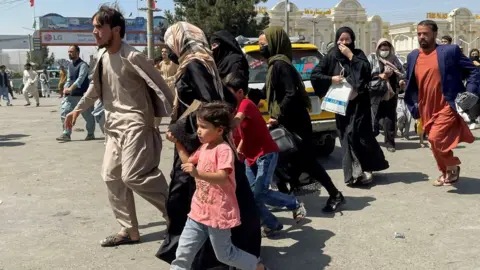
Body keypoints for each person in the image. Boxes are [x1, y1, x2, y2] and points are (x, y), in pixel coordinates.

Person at [64, 5, 174, 247]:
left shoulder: (133, 56)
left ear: (115, 30)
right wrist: (77, 109)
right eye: (93, 27)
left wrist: (176, 120)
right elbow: (94, 89)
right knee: (111, 177)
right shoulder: (102, 58)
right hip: (113, 127)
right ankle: (129, 231)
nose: (94, 32)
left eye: (99, 27)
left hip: (137, 125)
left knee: (133, 176)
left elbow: (162, 88)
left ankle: (177, 215)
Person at [157, 22, 260, 270]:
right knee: (223, 200)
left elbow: (213, 102)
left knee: (193, 199)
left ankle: (209, 260)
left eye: (170, 40)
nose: (169, 46)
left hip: (200, 142)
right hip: (206, 139)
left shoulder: (193, 62)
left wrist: (185, 127)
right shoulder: (206, 61)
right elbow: (225, 98)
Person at [167, 102, 267, 270]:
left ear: (219, 130)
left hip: (218, 214)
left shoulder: (223, 150)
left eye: (203, 127)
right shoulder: (204, 147)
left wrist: (197, 173)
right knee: (183, 253)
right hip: (198, 212)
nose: (198, 130)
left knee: (225, 255)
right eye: (198, 125)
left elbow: (222, 176)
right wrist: (177, 143)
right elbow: (188, 163)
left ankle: (256, 266)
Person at [259, 26, 344, 212]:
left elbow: (290, 93)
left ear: (274, 43)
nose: (261, 48)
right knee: (284, 161)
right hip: (289, 120)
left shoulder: (281, 65)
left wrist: (276, 116)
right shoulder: (275, 64)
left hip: (296, 122)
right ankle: (288, 197)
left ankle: (335, 194)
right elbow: (271, 91)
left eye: (263, 44)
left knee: (306, 161)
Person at [225, 72, 306, 237]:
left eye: (229, 93)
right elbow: (240, 137)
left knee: (259, 192)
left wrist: (214, 120)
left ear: (240, 92)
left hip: (265, 154)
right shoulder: (233, 109)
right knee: (251, 196)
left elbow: (236, 123)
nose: (227, 96)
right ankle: (272, 224)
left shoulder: (245, 104)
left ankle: (294, 203)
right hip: (249, 158)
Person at [311, 26, 389, 186]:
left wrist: (351, 56)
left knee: (360, 135)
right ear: (336, 40)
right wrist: (332, 79)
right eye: (341, 39)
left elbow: (365, 72)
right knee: (347, 137)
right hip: (342, 107)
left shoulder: (358, 55)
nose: (344, 43)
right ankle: (353, 173)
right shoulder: (331, 56)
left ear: (353, 40)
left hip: (360, 105)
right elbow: (316, 75)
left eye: (348, 39)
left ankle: (368, 168)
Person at [404, 20, 478, 186]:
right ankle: (446, 172)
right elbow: (412, 80)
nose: (421, 37)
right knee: (431, 141)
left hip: (447, 104)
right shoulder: (413, 56)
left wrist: (470, 92)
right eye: (419, 34)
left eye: (426, 33)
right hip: (425, 106)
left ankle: (452, 165)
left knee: (436, 138)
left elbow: (473, 70)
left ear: (435, 34)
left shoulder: (449, 51)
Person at [368, 38, 406, 152]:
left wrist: (400, 81)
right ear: (378, 48)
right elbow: (365, 73)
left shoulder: (394, 59)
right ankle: (371, 141)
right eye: (382, 48)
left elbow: (401, 73)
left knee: (390, 117)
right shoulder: (372, 58)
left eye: (386, 48)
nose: (384, 50)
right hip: (376, 91)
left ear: (390, 49)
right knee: (375, 116)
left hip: (391, 91)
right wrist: (381, 75)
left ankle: (390, 143)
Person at [57, 45, 96, 142]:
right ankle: (66, 133)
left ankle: (90, 133)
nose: (69, 53)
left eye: (71, 51)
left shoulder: (83, 65)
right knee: (65, 113)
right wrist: (65, 87)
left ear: (77, 53)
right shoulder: (70, 65)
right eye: (69, 51)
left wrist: (70, 89)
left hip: (83, 95)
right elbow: (70, 79)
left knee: (89, 117)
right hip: (72, 96)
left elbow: (80, 79)